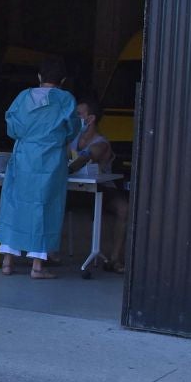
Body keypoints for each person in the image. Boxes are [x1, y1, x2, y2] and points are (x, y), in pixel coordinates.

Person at [0, 57, 82, 278]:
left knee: (14, 205)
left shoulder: (23, 97)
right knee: (44, 207)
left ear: (39, 77)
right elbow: (72, 128)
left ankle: (7, 262)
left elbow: (12, 127)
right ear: (62, 80)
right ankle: (37, 266)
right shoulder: (65, 100)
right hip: (50, 160)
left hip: (23, 156)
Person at [69, 98, 130, 274]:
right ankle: (46, 255)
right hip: (73, 188)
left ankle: (115, 259)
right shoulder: (72, 139)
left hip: (101, 189)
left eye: (78, 115)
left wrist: (69, 164)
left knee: (124, 209)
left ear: (90, 119)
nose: (74, 118)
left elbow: (88, 156)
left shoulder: (101, 142)